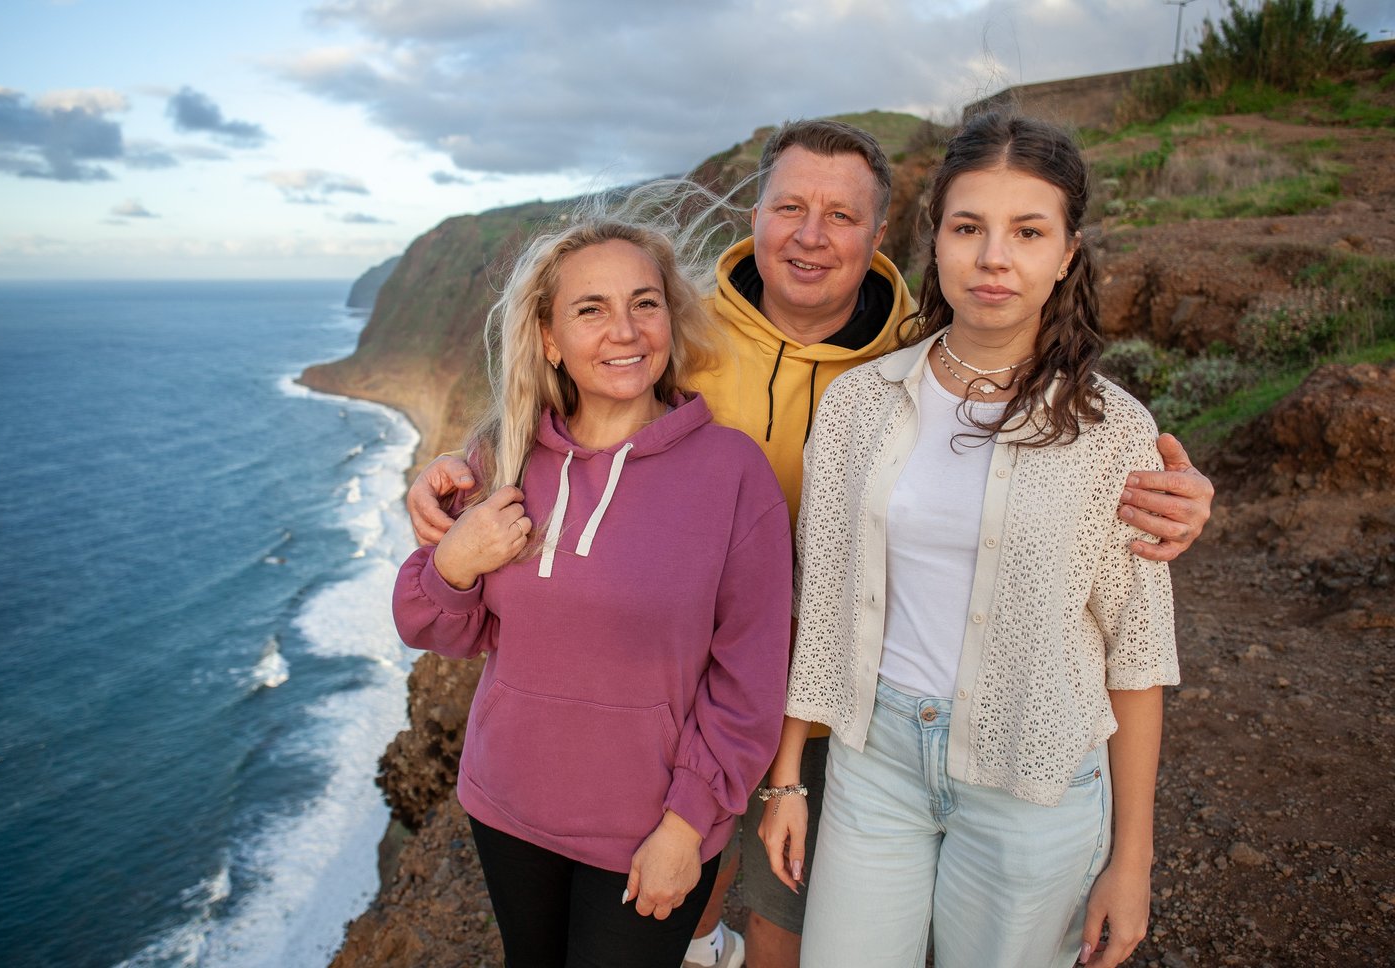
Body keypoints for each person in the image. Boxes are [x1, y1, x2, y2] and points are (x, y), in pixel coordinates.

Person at [406, 119, 1215, 968]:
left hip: (846, 715)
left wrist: (1181, 506)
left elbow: (1103, 569)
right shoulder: (679, 328)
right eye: (788, 206)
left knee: (787, 928)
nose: (810, 234)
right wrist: (459, 465)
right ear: (754, 215)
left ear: (882, 238)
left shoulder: (910, 354)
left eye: (842, 215)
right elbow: (569, 406)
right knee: (688, 902)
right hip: (689, 696)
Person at [758, 112, 1180, 968]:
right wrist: (788, 780)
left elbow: (1137, 658)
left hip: (1037, 780)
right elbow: (822, 606)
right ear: (935, 242)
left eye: (1028, 231)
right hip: (874, 763)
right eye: (969, 227)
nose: (995, 257)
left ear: (1065, 253)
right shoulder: (857, 406)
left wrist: (1130, 859)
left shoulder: (1112, 432)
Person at [390, 206, 793, 968]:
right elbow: (425, 622)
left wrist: (686, 826)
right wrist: (457, 560)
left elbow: (749, 679)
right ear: (548, 337)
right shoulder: (501, 456)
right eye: (591, 309)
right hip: (506, 808)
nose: (626, 330)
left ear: (670, 320)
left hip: (646, 831)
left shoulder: (731, 473)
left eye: (645, 303)